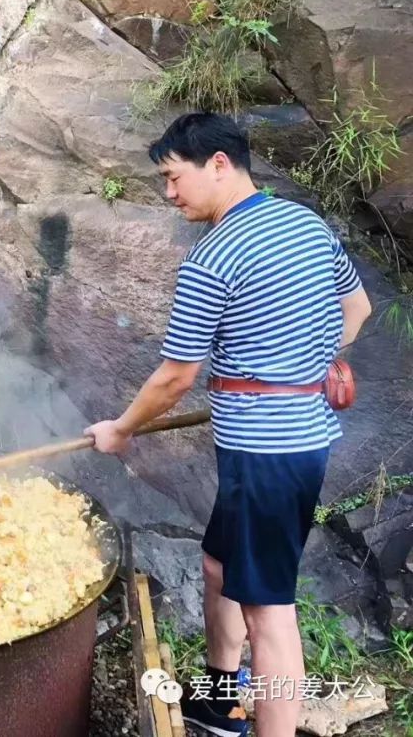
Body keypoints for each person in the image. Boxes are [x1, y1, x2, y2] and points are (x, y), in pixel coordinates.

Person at [86, 113, 372, 737]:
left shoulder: (214, 255)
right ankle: (219, 699)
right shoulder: (306, 224)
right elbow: (358, 306)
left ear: (218, 163)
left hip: (268, 454)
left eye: (172, 177)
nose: (169, 193)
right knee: (219, 565)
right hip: (293, 442)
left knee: (269, 613)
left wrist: (121, 429)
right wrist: (309, 369)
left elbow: (174, 378)